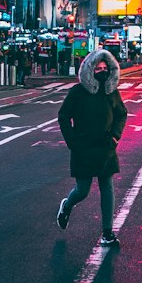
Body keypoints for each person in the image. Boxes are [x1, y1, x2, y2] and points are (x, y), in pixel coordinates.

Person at [56, 49, 128, 248]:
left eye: (106, 68)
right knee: (82, 190)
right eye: (98, 68)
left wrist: (115, 136)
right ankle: (67, 205)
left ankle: (107, 233)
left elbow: (122, 114)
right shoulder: (78, 92)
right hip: (83, 148)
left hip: (106, 147)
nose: (102, 72)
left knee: (107, 188)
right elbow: (63, 116)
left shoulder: (111, 91)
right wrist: (72, 142)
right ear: (90, 70)